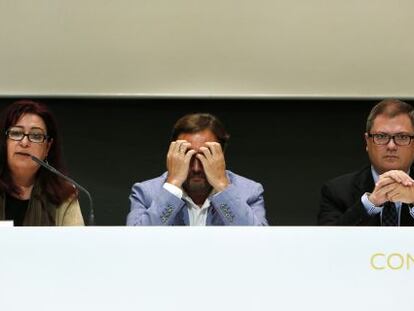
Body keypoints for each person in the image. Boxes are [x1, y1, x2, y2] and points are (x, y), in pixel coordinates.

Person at [127, 113, 267, 225]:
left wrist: (222, 186)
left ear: (221, 155)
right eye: (188, 156)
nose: (196, 168)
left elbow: (261, 242)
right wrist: (173, 184)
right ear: (173, 155)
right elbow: (135, 242)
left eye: (204, 157)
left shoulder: (249, 192)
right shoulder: (145, 193)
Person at [318, 98, 414, 226]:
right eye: (381, 136)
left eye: (402, 137)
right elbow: (327, 242)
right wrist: (370, 203)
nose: (391, 146)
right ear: (367, 141)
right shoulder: (337, 192)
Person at [0, 100, 84, 226]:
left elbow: (77, 244)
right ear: (4, 142)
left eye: (36, 136)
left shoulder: (64, 196)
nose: (24, 142)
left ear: (47, 147)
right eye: (16, 133)